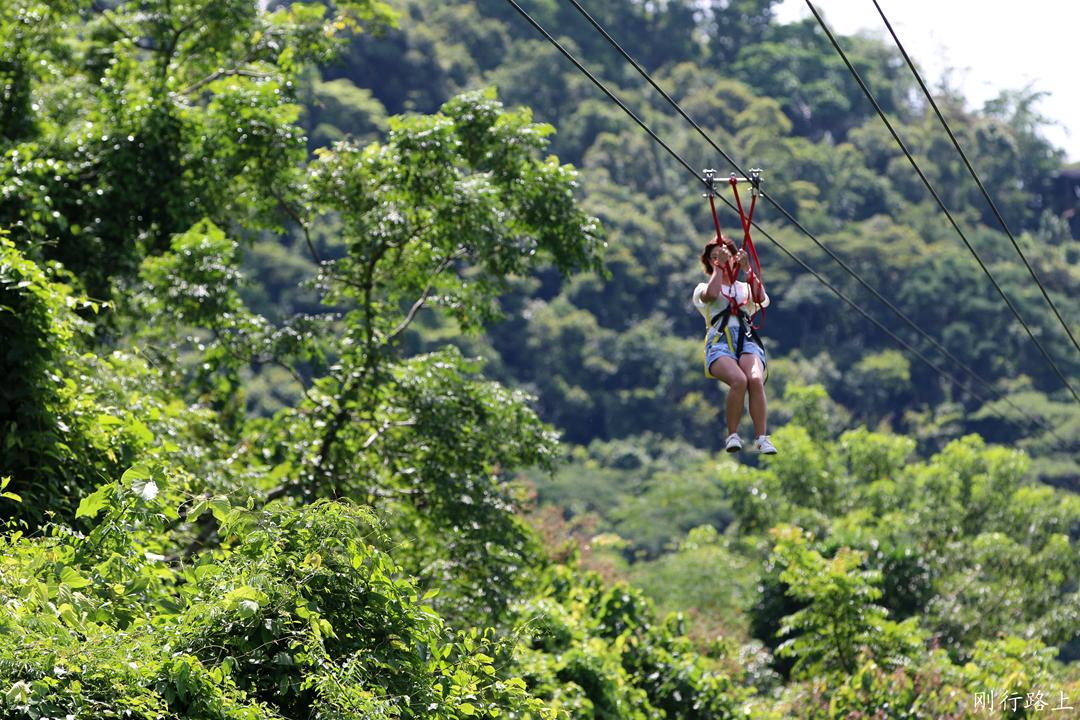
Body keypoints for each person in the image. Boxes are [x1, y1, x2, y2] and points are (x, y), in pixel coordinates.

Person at [692, 235, 777, 454]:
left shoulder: (744, 288)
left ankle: (761, 437)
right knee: (739, 380)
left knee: (755, 379)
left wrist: (748, 269)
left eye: (724, 256)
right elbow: (710, 295)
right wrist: (719, 267)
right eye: (713, 258)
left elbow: (760, 298)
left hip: (746, 338)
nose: (719, 259)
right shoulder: (704, 286)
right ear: (709, 262)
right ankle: (733, 435)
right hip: (720, 339)